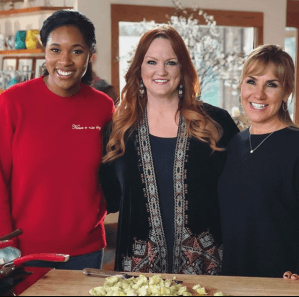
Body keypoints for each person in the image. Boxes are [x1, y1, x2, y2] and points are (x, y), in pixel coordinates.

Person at [99, 25, 239, 274]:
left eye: (171, 62)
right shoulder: (118, 131)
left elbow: (241, 195)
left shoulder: (216, 124)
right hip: (139, 271)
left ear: (183, 68)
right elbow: (108, 198)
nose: (160, 71)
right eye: (151, 61)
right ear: (139, 69)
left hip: (207, 268)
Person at [0, 10, 114, 270]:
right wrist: (5, 245)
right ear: (44, 52)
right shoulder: (12, 103)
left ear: (90, 54)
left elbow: (110, 171)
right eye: (55, 50)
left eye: (76, 51)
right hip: (24, 252)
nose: (65, 61)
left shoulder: (103, 106)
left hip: (87, 251)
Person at [218, 44, 299, 279]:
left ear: (287, 92)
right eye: (251, 81)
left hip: (281, 283)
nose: (259, 94)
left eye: (271, 84)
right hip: (234, 279)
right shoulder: (234, 144)